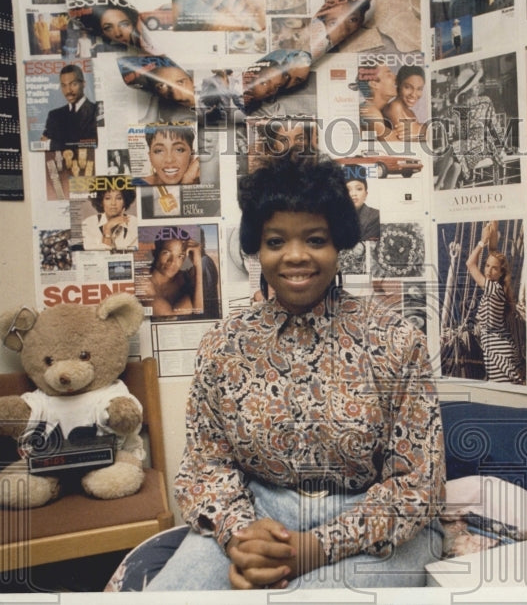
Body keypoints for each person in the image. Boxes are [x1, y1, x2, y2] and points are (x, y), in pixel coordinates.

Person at [144, 155, 444, 591]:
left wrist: (317, 547)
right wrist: (239, 536)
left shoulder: (397, 341)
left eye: (316, 239)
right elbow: (205, 467)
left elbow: (419, 487)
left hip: (374, 521)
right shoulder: (224, 345)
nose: (296, 256)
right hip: (257, 514)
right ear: (257, 248)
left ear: (339, 243)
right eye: (276, 241)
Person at [460, 222, 524, 384]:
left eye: (494, 268)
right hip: (497, 347)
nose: (488, 271)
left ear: (501, 273)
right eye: (487, 266)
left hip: (498, 350)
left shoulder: (493, 289)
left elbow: (470, 264)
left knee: (504, 392)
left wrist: (483, 241)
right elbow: (494, 253)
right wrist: (493, 229)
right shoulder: (499, 287)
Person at [144, 237, 204, 317]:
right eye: (166, 253)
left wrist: (198, 264)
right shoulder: (143, 279)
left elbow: (199, 311)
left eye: (180, 256)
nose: (172, 262)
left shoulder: (184, 278)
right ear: (155, 252)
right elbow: (169, 316)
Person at [41, 64, 97, 151]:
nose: (68, 91)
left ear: (83, 84)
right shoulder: (54, 115)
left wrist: (52, 144)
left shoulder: (96, 111)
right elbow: (43, 145)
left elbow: (94, 144)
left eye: (73, 84)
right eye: (64, 85)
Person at [354, 63, 399, 141]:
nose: (395, 77)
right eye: (388, 75)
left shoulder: (382, 110)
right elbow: (395, 145)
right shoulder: (368, 110)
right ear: (374, 84)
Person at [384, 65, 426, 141]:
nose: (413, 94)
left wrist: (420, 129)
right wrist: (422, 129)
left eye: (419, 89)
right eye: (408, 87)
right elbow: (407, 141)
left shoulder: (410, 112)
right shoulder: (395, 107)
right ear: (399, 84)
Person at [344, 174, 380, 241]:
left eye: (359, 189)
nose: (353, 194)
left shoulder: (375, 216)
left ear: (366, 194)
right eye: (348, 189)